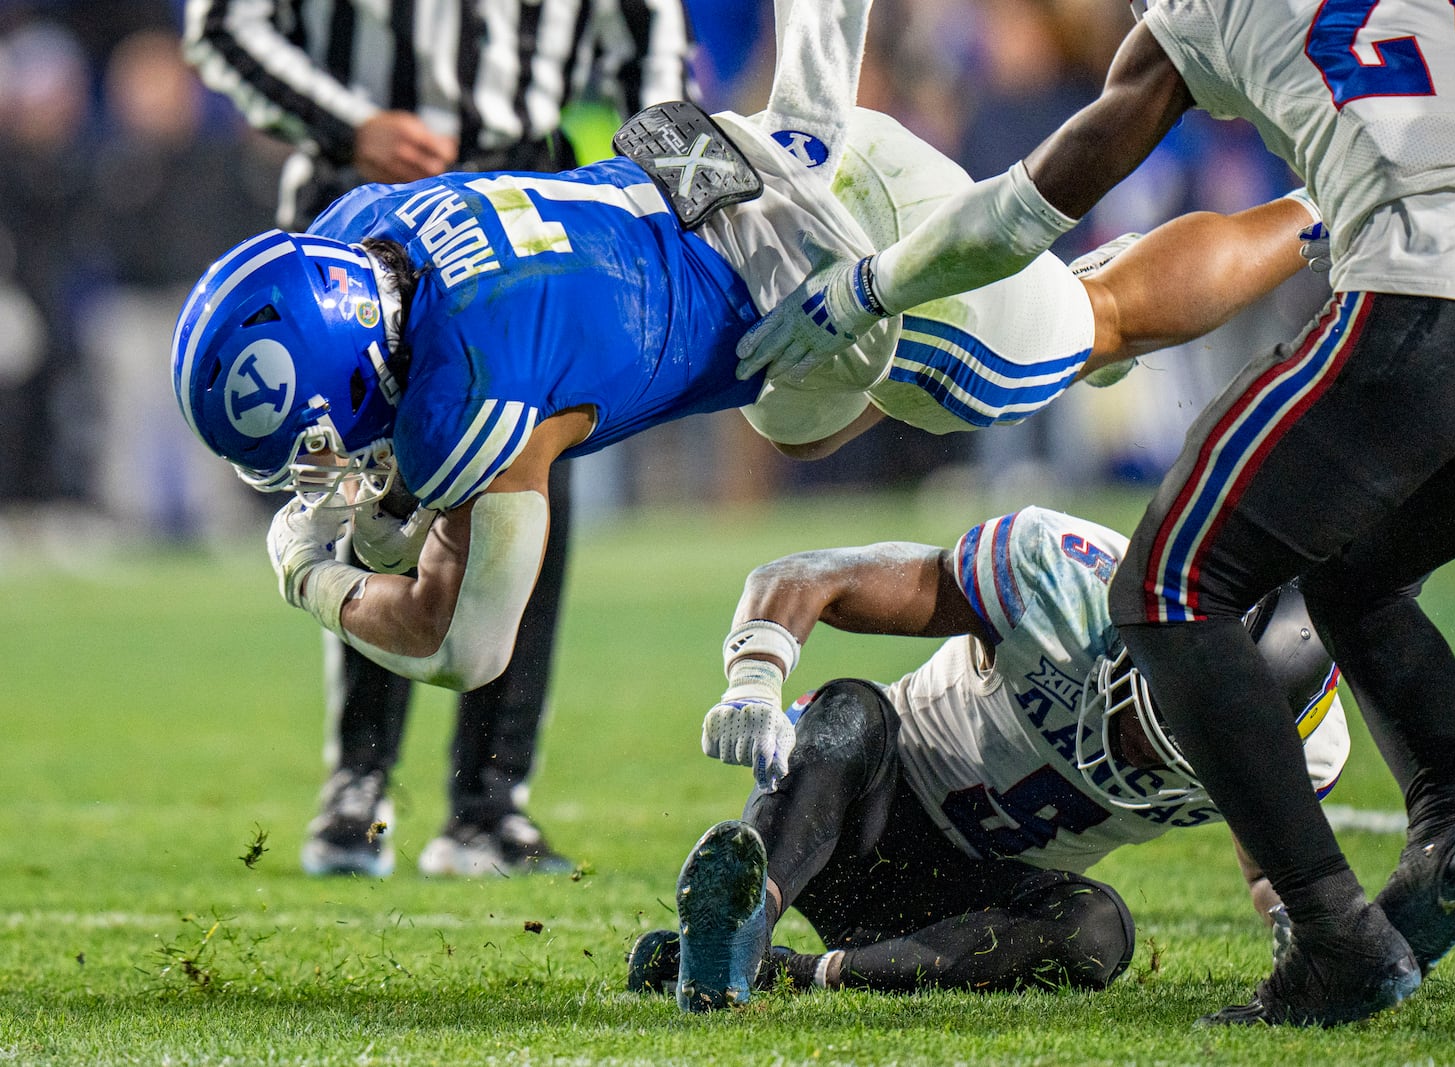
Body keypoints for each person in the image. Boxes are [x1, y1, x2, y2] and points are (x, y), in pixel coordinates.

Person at [738, 0, 1455, 1027]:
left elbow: (1028, 205)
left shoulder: (1201, 12)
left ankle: (1333, 935)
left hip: (1418, 312)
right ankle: (1449, 826)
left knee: (1164, 587)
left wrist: (871, 291)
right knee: (1350, 578)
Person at [169, 0, 1320, 751]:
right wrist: (388, 506)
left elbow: (462, 643)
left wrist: (312, 578)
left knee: (1102, 318)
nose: (325, 465)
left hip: (856, 250)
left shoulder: (477, 395)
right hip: (756, 172)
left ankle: (1325, 213)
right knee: (801, 425)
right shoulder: (378, 220)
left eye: (322, 438)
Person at [183, 0, 693, 878]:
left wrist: (650, 192)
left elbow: (654, 43)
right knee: (365, 495)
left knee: (523, 485)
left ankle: (490, 799)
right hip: (361, 216)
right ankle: (360, 778)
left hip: (523, 205)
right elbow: (224, 24)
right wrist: (352, 125)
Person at [624, 506, 1349, 1012]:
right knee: (847, 713)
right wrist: (756, 674)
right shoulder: (1059, 579)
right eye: (1151, 705)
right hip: (854, 817)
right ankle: (743, 926)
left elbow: (1271, 871)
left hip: (963, 908)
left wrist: (1301, 919)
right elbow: (813, 574)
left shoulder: (1300, 751)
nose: (1136, 744)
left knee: (1097, 929)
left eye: (1187, 739)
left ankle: (786, 974)